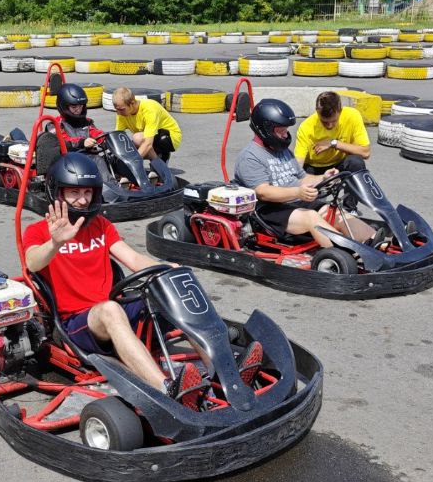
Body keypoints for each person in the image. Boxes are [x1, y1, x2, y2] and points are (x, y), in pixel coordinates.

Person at [23, 153, 261, 409]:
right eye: (74, 193)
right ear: (57, 193)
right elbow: (32, 262)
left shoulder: (100, 225)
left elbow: (134, 259)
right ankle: (167, 389)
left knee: (172, 285)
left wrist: (169, 270)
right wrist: (55, 243)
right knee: (110, 310)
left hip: (113, 310)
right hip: (77, 325)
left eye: (87, 192)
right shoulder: (38, 232)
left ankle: (224, 373)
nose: (82, 200)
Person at [234, 99, 377, 249]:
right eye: (281, 130)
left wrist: (324, 177)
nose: (285, 134)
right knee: (311, 217)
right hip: (269, 210)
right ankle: (350, 253)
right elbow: (263, 192)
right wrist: (297, 192)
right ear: (265, 129)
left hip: (294, 203)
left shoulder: (282, 151)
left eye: (286, 129)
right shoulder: (250, 157)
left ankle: (377, 243)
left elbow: (302, 178)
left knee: (334, 212)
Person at [294, 91, 371, 176]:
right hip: (314, 167)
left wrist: (334, 143)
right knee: (301, 176)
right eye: (324, 122)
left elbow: (365, 153)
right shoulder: (306, 127)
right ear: (317, 111)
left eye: (334, 121)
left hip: (339, 164)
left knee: (355, 162)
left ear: (340, 111)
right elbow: (298, 163)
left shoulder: (352, 116)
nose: (329, 126)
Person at [35, 83, 105, 176]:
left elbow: (95, 132)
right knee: (98, 160)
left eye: (81, 106)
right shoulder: (55, 124)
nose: (78, 110)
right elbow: (62, 142)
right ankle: (108, 184)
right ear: (64, 106)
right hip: (66, 164)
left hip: (86, 160)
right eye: (74, 107)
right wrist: (82, 142)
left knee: (109, 158)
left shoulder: (87, 122)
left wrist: (106, 139)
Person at [112, 87, 182, 162]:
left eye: (121, 109)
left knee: (138, 138)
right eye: (117, 109)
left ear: (132, 103)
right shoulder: (121, 114)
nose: (118, 113)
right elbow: (118, 137)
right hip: (149, 137)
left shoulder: (149, 109)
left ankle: (161, 159)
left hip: (170, 137)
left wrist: (133, 161)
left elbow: (148, 143)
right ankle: (157, 161)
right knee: (128, 149)